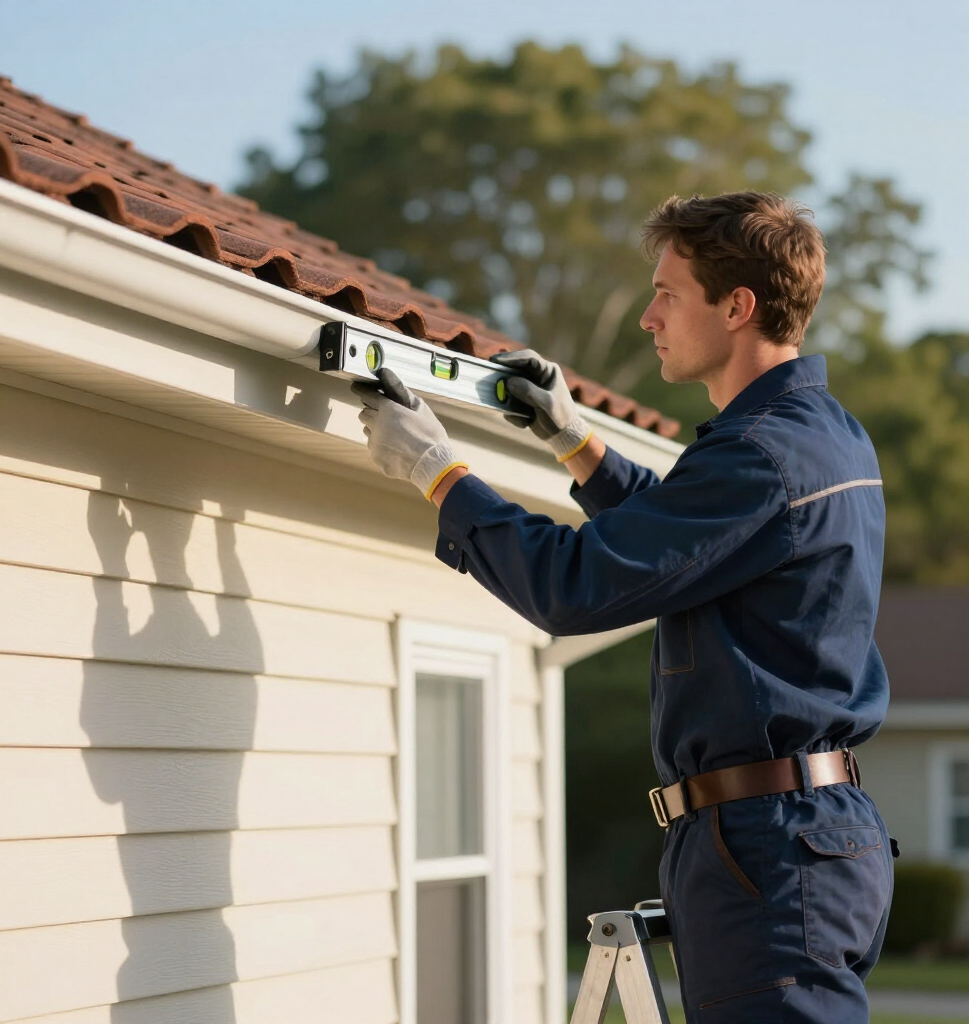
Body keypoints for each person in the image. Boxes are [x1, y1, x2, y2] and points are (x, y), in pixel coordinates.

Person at [354, 191, 894, 1024]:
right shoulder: (822, 433)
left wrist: (439, 474)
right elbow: (693, 543)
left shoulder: (759, 453)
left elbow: (576, 585)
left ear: (738, 307)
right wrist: (577, 443)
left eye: (668, 293)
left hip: (769, 845)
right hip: (801, 834)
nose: (649, 317)